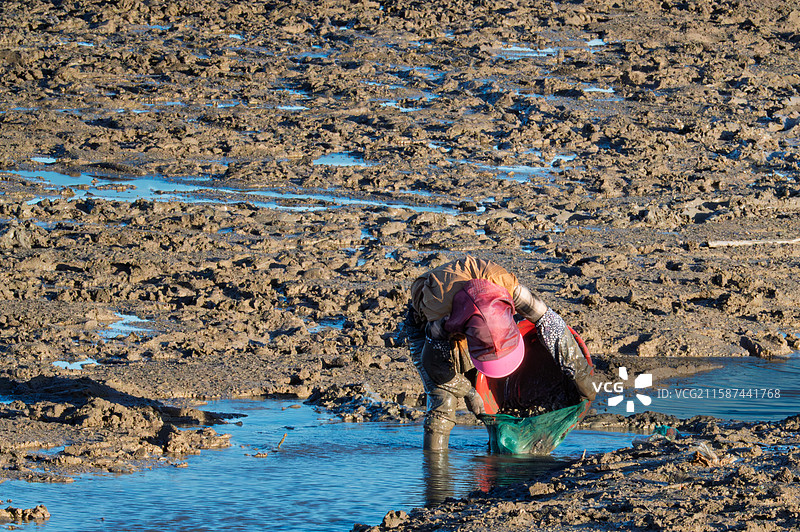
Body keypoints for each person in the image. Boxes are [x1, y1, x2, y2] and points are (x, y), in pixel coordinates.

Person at [404, 255, 595, 451]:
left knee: (481, 392)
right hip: (426, 327)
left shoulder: (508, 287)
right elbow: (435, 366)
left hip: (471, 316)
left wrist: (579, 373)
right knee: (442, 403)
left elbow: (551, 323)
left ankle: (496, 447)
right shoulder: (440, 318)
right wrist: (469, 392)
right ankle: (435, 470)